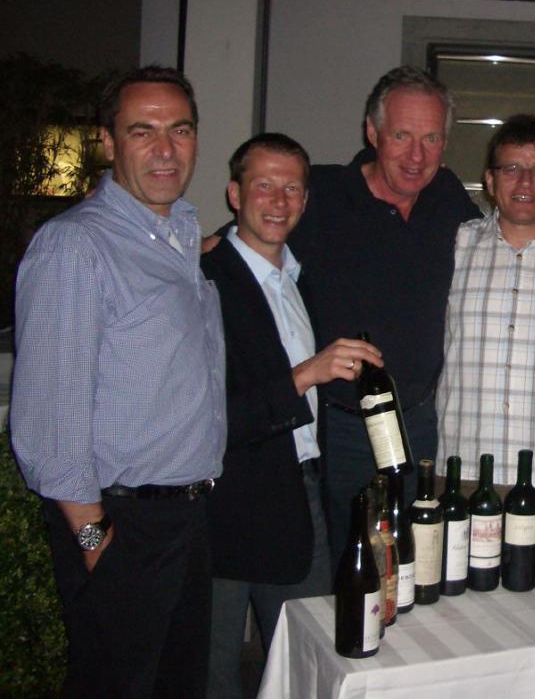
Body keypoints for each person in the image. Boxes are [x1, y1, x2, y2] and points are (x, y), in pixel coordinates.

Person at [282, 66, 535, 564]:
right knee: (355, 563)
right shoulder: (321, 194)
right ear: (372, 132)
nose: (416, 155)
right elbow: (256, 234)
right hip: (345, 424)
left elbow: (519, 209)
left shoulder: (449, 205)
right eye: (402, 136)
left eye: (430, 139)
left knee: (414, 564)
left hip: (423, 429)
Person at [11, 66, 226, 698]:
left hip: (186, 519)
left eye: (180, 130)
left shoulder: (178, 238)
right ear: (107, 142)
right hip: (121, 523)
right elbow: (47, 416)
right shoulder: (75, 246)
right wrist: (93, 536)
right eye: (142, 131)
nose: (166, 149)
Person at [200, 134, 382, 697]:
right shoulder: (203, 278)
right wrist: (306, 374)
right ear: (235, 194)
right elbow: (205, 419)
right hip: (223, 503)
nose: (279, 201)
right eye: (264, 186)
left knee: (305, 663)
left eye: (293, 189)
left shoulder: (298, 279)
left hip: (299, 496)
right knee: (213, 672)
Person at [437, 116, 535, 489]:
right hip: (460, 468)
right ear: (490, 180)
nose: (525, 182)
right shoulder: (452, 246)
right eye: (511, 168)